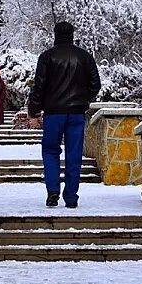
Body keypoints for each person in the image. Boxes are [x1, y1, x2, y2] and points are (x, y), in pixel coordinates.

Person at [28, 20, 102, 208]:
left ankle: (53, 192)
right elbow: (95, 85)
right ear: (72, 34)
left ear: (55, 35)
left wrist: (34, 110)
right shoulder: (84, 57)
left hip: (53, 113)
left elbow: (39, 86)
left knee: (50, 151)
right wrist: (84, 98)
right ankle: (71, 197)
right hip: (77, 113)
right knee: (74, 154)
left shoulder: (47, 57)